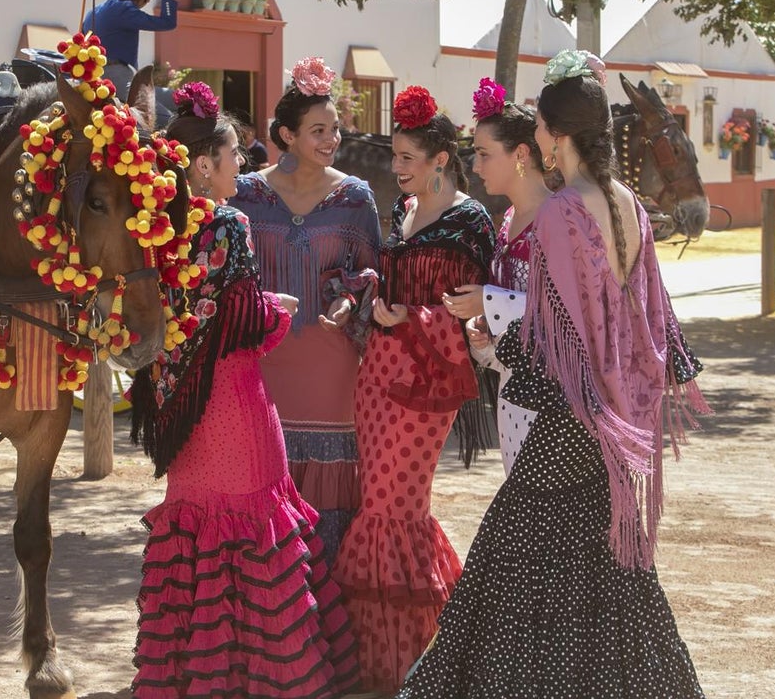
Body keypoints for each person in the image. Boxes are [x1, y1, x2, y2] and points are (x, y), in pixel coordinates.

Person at [397, 50, 710, 698]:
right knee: (612, 574)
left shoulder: (566, 211)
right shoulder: (627, 202)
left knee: (513, 565)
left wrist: (505, 348)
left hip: (572, 418)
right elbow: (649, 322)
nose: (535, 133)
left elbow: (558, 338)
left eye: (539, 122)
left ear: (553, 133)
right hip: (617, 424)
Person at [129, 81, 361, 698]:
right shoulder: (229, 224)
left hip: (182, 411)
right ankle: (265, 672)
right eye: (233, 155)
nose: (241, 165)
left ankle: (191, 673)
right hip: (234, 402)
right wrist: (278, 308)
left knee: (196, 528)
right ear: (203, 165)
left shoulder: (152, 227)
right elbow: (241, 325)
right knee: (256, 526)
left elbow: (180, 318)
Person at [330, 85, 496, 693]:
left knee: (400, 508)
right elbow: (394, 282)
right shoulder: (403, 212)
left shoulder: (470, 221)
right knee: (377, 504)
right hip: (378, 370)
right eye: (395, 157)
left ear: (440, 160)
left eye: (407, 159)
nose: (396, 168)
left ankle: (417, 659)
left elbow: (474, 312)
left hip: (427, 380)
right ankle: (375, 658)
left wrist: (414, 321)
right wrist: (373, 306)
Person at [229, 56, 381, 565]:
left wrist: (349, 297)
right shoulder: (245, 196)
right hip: (260, 365)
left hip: (331, 367)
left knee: (329, 491)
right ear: (288, 135)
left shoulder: (355, 198)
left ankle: (325, 609)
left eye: (335, 129)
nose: (331, 139)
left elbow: (373, 275)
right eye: (318, 130)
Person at [444, 77, 552, 476]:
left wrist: (488, 301)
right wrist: (483, 333)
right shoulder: (507, 220)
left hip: (555, 402)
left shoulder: (557, 221)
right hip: (513, 396)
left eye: (484, 154)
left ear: (521, 154)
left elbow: (571, 313)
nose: (474, 166)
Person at [81, 0, 176, 99]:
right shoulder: (126, 10)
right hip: (115, 76)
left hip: (90, 76)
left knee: (170, 97)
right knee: (164, 114)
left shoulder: (96, 9)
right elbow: (168, 22)